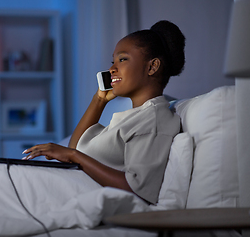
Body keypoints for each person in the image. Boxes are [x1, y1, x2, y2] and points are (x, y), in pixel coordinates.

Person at [23, 20, 186, 205]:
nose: (111, 69)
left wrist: (73, 156)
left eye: (122, 59)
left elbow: (138, 190)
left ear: (152, 66)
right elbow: (75, 147)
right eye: (113, 61)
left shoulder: (154, 120)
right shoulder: (135, 116)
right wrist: (99, 100)